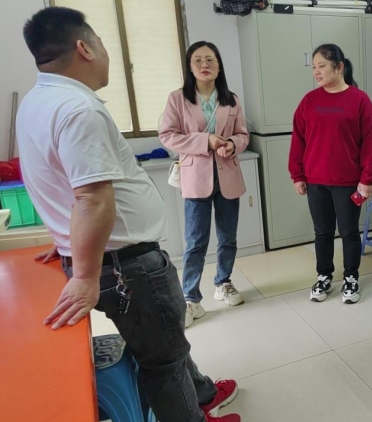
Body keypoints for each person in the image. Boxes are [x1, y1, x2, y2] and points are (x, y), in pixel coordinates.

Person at [17, 8, 240, 422]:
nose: (106, 52)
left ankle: (203, 392)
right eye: (102, 43)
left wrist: (66, 240)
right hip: (126, 264)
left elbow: (52, 180)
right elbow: (91, 198)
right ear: (84, 48)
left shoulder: (38, 101)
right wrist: (84, 274)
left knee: (165, 339)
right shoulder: (79, 109)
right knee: (163, 358)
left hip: (112, 253)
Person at [160, 41, 249, 328]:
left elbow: (243, 134)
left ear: (219, 66)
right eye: (197, 60)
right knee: (196, 241)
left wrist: (232, 144)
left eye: (210, 59)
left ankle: (223, 282)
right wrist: (205, 141)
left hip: (228, 175)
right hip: (196, 178)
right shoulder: (178, 99)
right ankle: (191, 299)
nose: (204, 65)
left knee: (228, 237)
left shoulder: (231, 99)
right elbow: (167, 135)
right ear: (190, 67)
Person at [288, 44, 372, 304]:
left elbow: (370, 142)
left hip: (348, 182)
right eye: (313, 67)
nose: (316, 72)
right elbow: (298, 140)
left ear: (339, 67)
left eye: (322, 66)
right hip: (316, 181)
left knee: (349, 232)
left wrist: (368, 178)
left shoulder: (359, 100)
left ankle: (351, 278)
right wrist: (297, 174)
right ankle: (324, 276)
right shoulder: (309, 101)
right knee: (322, 233)